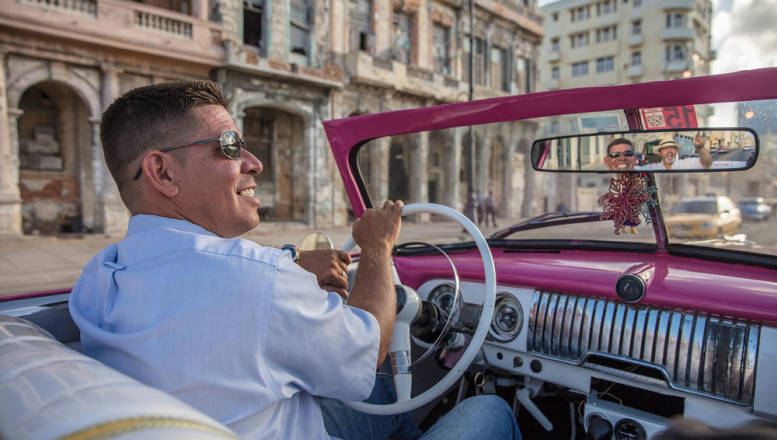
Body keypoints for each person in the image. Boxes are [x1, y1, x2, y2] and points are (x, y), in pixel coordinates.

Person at [68, 81, 520, 440]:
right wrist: (378, 248)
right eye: (228, 146)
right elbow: (365, 357)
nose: (254, 162)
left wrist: (293, 263)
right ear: (162, 171)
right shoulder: (259, 281)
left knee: (382, 395)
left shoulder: (99, 275)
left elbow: (204, 282)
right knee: (490, 409)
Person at [637, 133, 712, 171]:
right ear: (660, 153)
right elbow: (636, 169)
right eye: (665, 148)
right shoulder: (653, 167)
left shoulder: (686, 164)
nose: (669, 150)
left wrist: (700, 147)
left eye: (672, 148)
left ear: (676, 151)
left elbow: (706, 163)